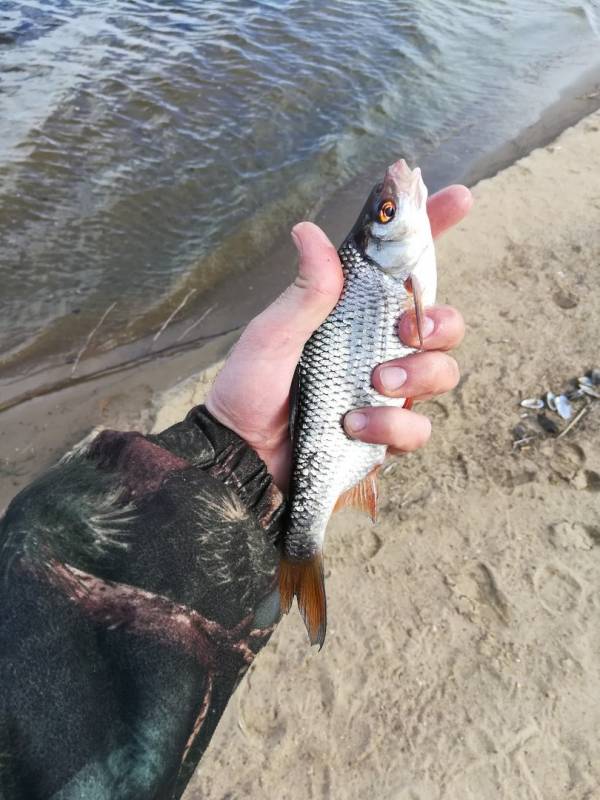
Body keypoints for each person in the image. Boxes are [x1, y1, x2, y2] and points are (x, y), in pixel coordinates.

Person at [0, 185, 471, 800]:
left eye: (387, 211)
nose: (396, 200)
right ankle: (302, 549)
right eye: (387, 211)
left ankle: (302, 538)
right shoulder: (381, 274)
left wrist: (237, 445)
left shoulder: (380, 275)